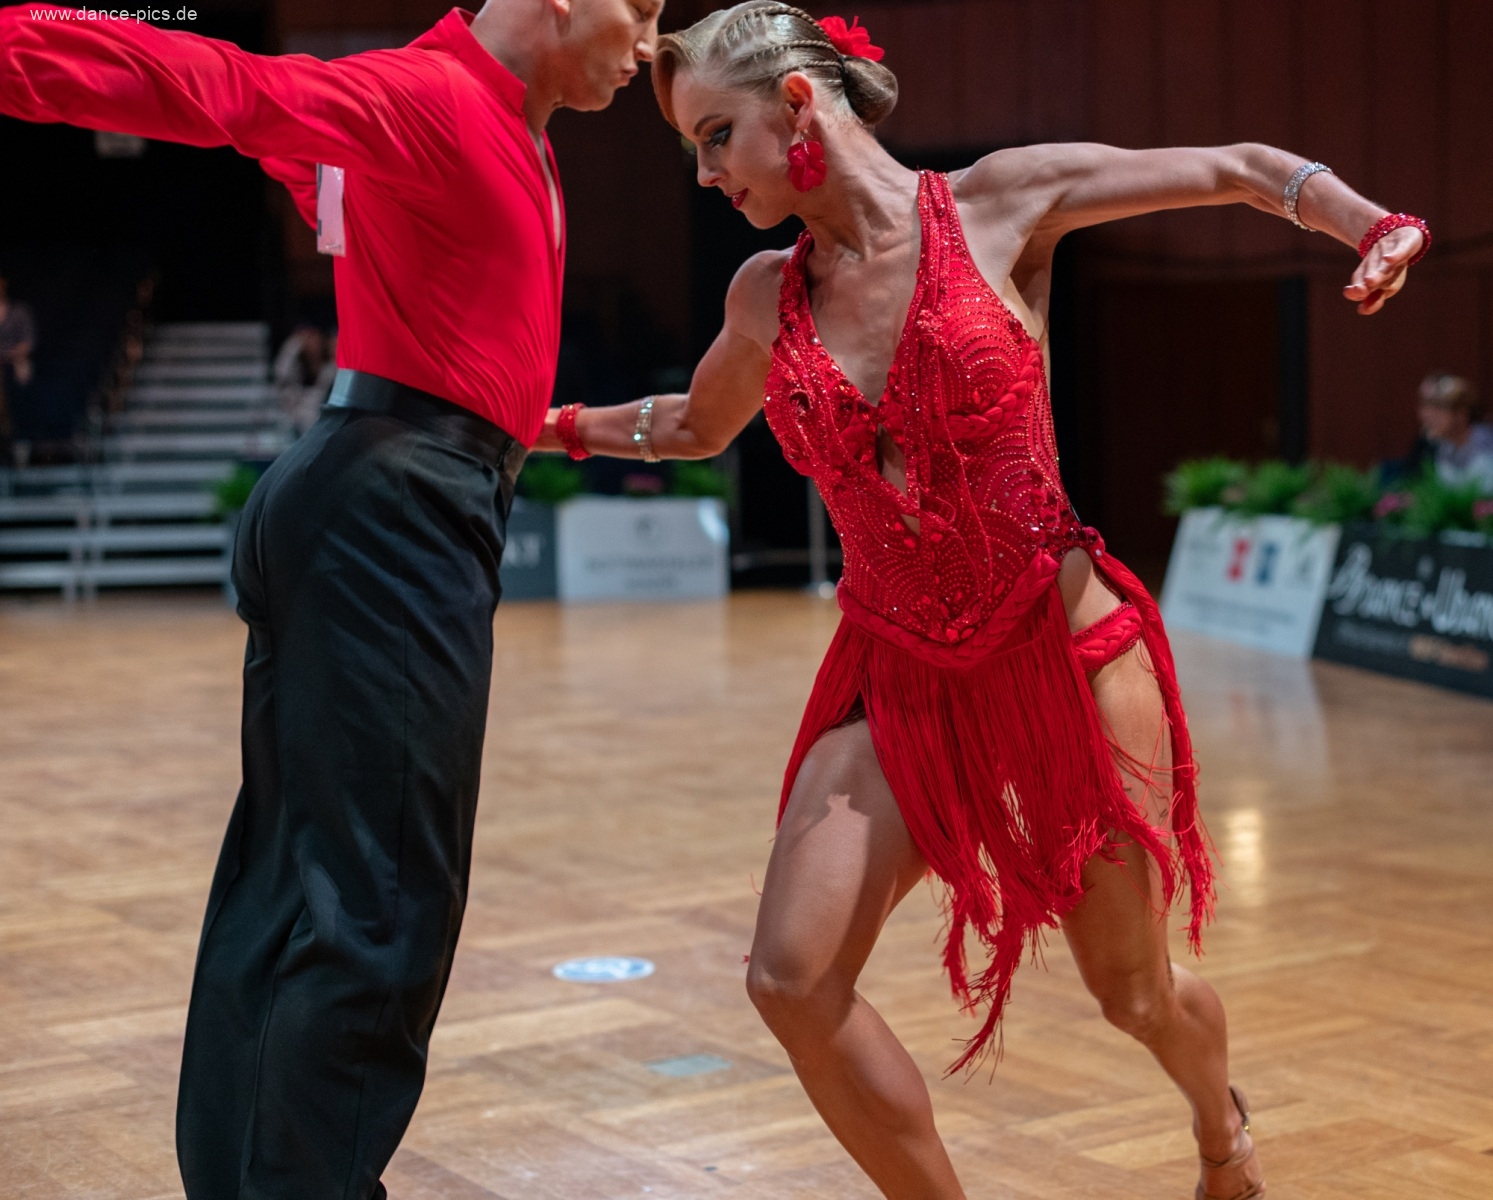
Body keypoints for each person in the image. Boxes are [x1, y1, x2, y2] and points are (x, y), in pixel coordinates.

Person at [535, 6, 1429, 1198]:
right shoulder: (765, 295)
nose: (704, 175)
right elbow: (696, 424)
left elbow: (1237, 167)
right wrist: (541, 424)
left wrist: (1364, 222)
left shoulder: (998, 205)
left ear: (796, 107)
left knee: (1131, 994)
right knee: (790, 978)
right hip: (896, 671)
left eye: (713, 136)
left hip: (1065, 662)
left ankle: (1221, 1131)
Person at [0, 2, 660, 1196]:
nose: (651, 43)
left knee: (297, 879)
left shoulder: (496, 120)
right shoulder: (432, 99)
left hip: (381, 492)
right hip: (393, 515)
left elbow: (432, 296)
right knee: (384, 903)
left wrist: (554, 426)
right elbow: (224, 89)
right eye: (647, 8)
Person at [1416, 372, 1493, 492]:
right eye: (1425, 406)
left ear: (1461, 413)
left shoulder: (1486, 447)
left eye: (1438, 407)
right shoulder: (1442, 447)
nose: (1427, 415)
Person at [0, 270, 37, 457]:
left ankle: (20, 436)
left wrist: (8, 355)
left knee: (22, 369)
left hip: (14, 360)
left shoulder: (19, 312)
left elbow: (28, 344)